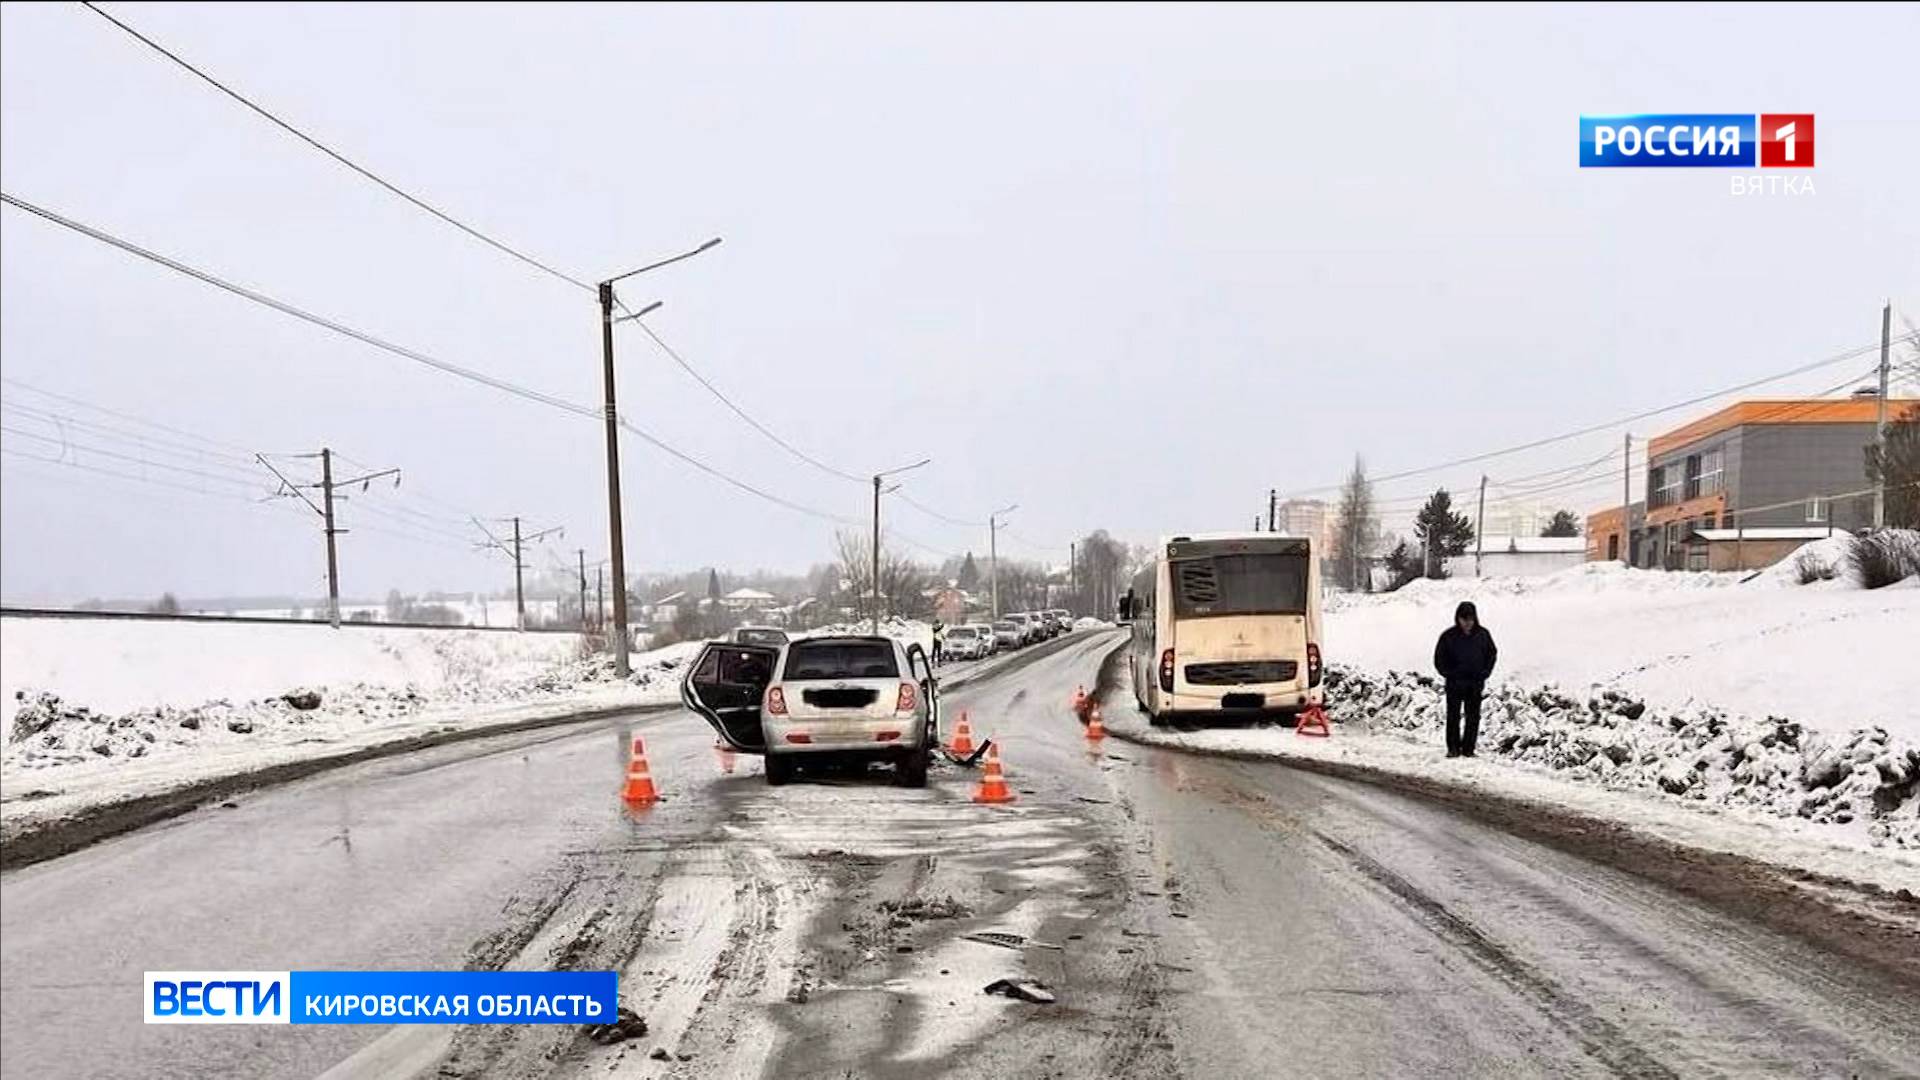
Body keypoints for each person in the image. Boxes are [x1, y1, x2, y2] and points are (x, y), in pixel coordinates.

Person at [1432, 600, 1497, 758]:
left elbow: (1492, 654)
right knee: (1453, 716)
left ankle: (1469, 748)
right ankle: (1453, 748)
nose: (1467, 623)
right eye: (1464, 619)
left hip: (1475, 683)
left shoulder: (1483, 635)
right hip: (1455, 684)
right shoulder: (1448, 636)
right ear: (1458, 619)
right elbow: (1439, 659)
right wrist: (1449, 674)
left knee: (1473, 716)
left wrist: (1485, 673)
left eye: (1470, 619)